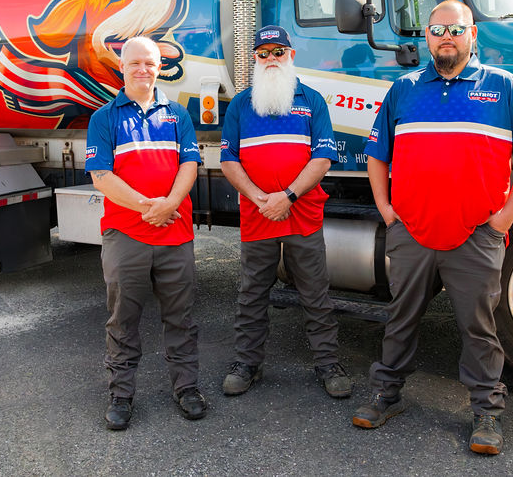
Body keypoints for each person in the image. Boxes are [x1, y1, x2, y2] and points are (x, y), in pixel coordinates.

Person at [351, 0, 513, 455]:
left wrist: (503, 219)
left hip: (476, 235)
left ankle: (486, 412)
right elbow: (378, 154)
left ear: (472, 34)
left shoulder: (504, 88)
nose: (446, 36)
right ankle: (387, 394)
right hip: (412, 232)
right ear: (426, 35)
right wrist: (385, 209)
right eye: (437, 29)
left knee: (478, 327)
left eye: (455, 29)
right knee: (400, 317)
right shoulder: (403, 89)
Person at [219, 25, 352, 398]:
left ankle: (328, 364)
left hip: (302, 212)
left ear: (291, 56)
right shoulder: (242, 105)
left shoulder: (312, 101)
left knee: (315, 292)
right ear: (256, 60)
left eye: (279, 52)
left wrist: (287, 197)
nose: (272, 59)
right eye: (264, 53)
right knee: (251, 293)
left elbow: (323, 157)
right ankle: (247, 363)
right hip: (257, 212)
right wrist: (261, 197)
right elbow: (228, 159)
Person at [85, 36, 206, 431]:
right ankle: (121, 395)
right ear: (122, 67)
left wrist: (169, 204)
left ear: (159, 68)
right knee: (123, 318)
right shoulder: (104, 118)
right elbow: (101, 176)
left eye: (149, 64)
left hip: (175, 233)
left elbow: (190, 164)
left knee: (181, 318)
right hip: (127, 235)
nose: (142, 70)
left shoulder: (178, 114)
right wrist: (148, 207)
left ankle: (186, 389)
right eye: (134, 63)